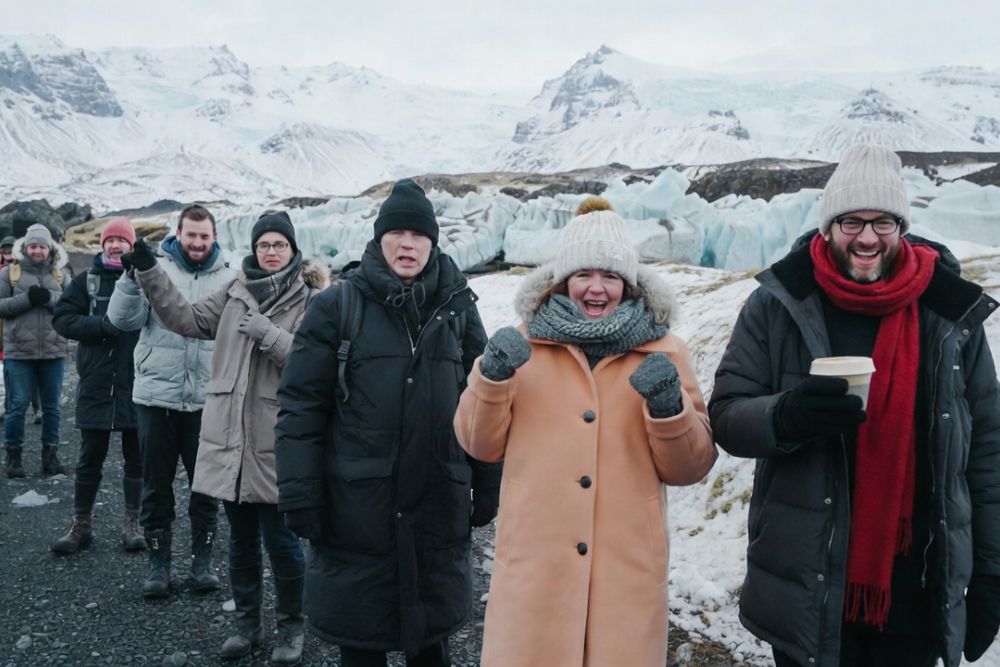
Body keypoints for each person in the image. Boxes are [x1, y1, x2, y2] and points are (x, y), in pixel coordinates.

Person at [708, 144, 1000, 667]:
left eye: (883, 222)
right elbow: (728, 414)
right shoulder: (779, 305)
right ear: (828, 225)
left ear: (902, 226)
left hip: (917, 577)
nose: (867, 237)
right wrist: (786, 416)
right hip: (810, 576)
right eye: (851, 222)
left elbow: (987, 450)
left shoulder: (947, 312)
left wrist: (990, 574)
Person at [453, 196, 717, 667]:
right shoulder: (523, 344)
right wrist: (491, 379)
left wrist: (669, 409)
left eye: (610, 276)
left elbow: (691, 467)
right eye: (584, 276)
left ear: (629, 284)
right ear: (563, 281)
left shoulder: (665, 351)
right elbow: (479, 444)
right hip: (537, 573)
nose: (597, 290)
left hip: (626, 577)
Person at [274, 178, 500, 667]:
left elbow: (485, 404)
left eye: (418, 235)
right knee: (362, 644)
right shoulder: (338, 305)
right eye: (396, 232)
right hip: (357, 509)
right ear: (379, 240)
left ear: (433, 243)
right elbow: (300, 406)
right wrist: (299, 494)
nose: (407, 243)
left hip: (437, 502)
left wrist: (488, 484)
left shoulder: (458, 308)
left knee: (431, 642)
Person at [124, 211, 328, 665]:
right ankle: (247, 627)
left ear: (293, 250)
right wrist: (151, 271)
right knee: (239, 538)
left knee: (282, 540)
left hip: (278, 439)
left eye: (279, 244)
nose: (270, 251)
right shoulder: (235, 291)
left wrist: (268, 333)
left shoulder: (312, 299)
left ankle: (291, 627)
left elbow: (315, 364)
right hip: (230, 436)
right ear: (254, 248)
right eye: (263, 244)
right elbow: (188, 318)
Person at [106, 204, 234, 598]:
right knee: (156, 486)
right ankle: (158, 566)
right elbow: (122, 322)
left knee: (206, 487)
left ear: (214, 238)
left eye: (204, 235)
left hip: (206, 400)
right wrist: (131, 279)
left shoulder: (230, 277)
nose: (197, 242)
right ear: (178, 234)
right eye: (190, 234)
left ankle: (202, 564)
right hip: (156, 398)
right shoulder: (153, 268)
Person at [50, 218, 145, 554]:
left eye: (122, 240)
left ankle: (133, 524)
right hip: (97, 382)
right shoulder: (84, 282)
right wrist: (102, 326)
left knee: (138, 457)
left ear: (132, 246)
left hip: (137, 381)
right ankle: (81, 524)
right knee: (90, 457)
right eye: (110, 240)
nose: (115, 245)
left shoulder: (145, 279)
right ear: (102, 245)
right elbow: (61, 319)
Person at [0, 224, 69, 478]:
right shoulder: (10, 274)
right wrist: (28, 298)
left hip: (53, 353)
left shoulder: (61, 275)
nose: (37, 250)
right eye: (33, 246)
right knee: (17, 406)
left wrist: (48, 299)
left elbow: (72, 306)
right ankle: (13, 459)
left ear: (49, 248)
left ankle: (50, 459)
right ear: (25, 248)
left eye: (41, 246)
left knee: (52, 408)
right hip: (18, 353)